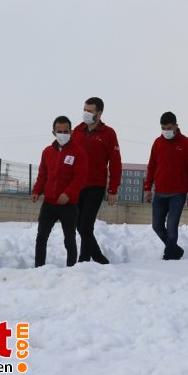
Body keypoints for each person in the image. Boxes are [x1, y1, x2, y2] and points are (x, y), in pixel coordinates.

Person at [31, 116, 88, 268]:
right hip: (49, 204)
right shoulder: (47, 152)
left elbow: (80, 178)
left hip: (68, 205)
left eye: (65, 131)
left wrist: (68, 193)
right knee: (41, 237)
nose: (62, 134)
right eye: (59, 131)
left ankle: (71, 269)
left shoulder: (78, 153)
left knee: (69, 239)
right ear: (53, 132)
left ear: (71, 131)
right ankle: (39, 268)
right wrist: (37, 190)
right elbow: (43, 174)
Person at [71, 97, 122, 264]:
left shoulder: (108, 133)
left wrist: (113, 189)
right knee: (79, 226)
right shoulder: (77, 131)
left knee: (86, 225)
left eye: (90, 111)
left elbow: (115, 163)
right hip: (77, 185)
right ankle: (99, 258)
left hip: (96, 185)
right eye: (84, 109)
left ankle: (84, 261)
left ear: (99, 113)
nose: (86, 113)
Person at [143, 112, 188, 260]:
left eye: (168, 127)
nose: (165, 131)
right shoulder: (157, 143)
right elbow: (151, 166)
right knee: (156, 226)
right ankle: (175, 250)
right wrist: (147, 187)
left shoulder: (186, 144)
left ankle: (169, 256)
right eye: (163, 128)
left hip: (178, 193)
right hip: (160, 192)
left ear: (176, 126)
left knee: (172, 226)